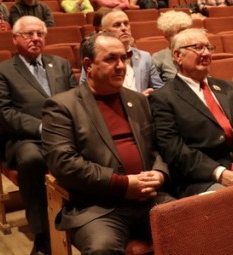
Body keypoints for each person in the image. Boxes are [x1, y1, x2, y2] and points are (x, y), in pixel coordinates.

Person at [42, 33, 174, 255]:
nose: (121, 66)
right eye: (111, 58)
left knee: (190, 225)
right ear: (88, 65)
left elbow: (156, 148)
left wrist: (159, 174)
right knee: (102, 249)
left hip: (148, 197)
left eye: (124, 58)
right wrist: (122, 184)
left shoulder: (138, 100)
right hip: (98, 206)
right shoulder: (62, 106)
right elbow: (64, 163)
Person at [149, 28, 233, 197]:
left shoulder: (229, 88)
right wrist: (219, 173)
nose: (206, 53)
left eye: (208, 48)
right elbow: (173, 149)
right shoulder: (163, 98)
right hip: (203, 178)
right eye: (198, 47)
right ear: (178, 56)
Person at [0, 16, 77, 255]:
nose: (36, 38)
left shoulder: (60, 64)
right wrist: (41, 127)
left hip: (66, 133)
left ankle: (85, 216)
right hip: (27, 138)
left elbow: (77, 98)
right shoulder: (2, 71)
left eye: (40, 34)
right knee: (32, 159)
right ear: (15, 38)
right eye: (29, 34)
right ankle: (43, 234)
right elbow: (3, 113)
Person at [83, 10, 163, 96]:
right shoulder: (95, 58)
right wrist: (138, 99)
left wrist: (147, 98)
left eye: (126, 23)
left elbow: (159, 89)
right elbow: (85, 91)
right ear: (105, 33)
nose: (124, 28)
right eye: (117, 25)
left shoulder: (145, 57)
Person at [152, 11, 194, 83]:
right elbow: (156, 86)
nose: (184, 36)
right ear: (166, 36)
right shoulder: (158, 58)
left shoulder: (196, 53)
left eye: (186, 32)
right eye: (179, 32)